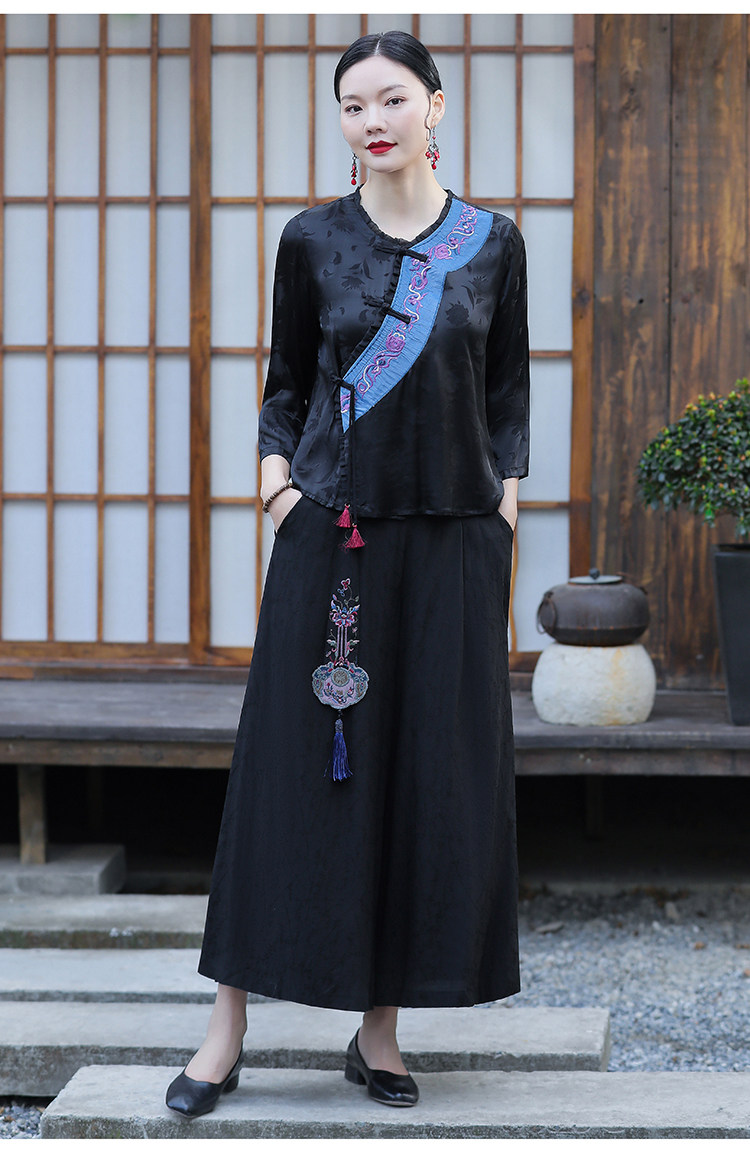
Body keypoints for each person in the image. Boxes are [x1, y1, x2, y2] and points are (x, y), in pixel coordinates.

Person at [166, 29, 529, 1118]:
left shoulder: (493, 244)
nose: (373, 120)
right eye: (353, 104)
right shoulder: (312, 240)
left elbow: (508, 399)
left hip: (451, 547)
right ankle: (226, 1027)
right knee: (286, 772)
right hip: (332, 538)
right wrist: (278, 492)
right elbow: (283, 384)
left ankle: (380, 1032)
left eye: (393, 98)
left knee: (422, 778)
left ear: (437, 107)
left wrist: (501, 515)